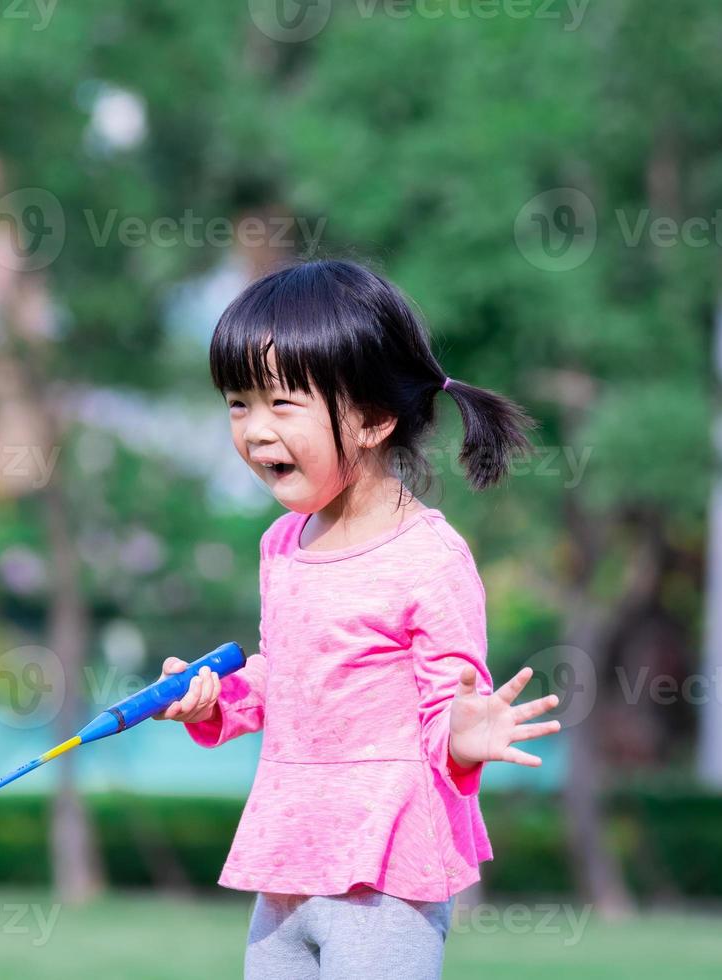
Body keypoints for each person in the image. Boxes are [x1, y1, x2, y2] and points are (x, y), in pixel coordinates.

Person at [158, 258, 561, 980]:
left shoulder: (430, 558)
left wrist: (464, 736)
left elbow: (450, 705)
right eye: (237, 404)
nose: (254, 431)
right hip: (287, 867)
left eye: (282, 404)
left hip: (386, 884)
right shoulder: (281, 544)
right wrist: (217, 696)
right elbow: (287, 675)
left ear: (374, 418)